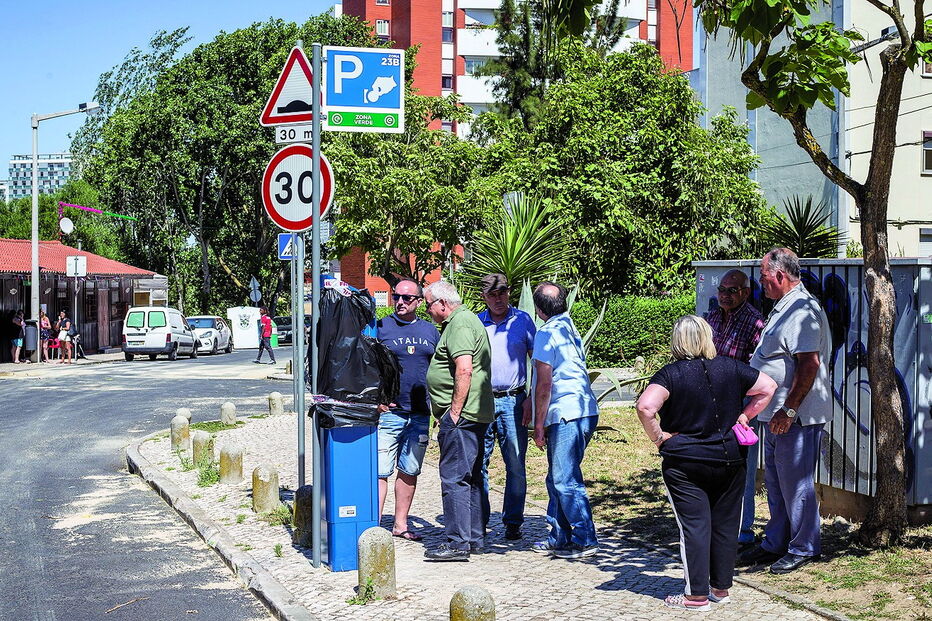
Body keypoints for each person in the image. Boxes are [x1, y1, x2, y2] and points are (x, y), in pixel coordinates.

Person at [636, 315, 777, 610]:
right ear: (707, 338)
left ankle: (695, 596)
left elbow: (646, 406)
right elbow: (768, 387)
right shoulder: (731, 367)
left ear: (677, 341)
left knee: (694, 527)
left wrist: (659, 437)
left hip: (686, 462)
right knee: (726, 525)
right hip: (730, 458)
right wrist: (746, 415)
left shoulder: (670, 374)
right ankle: (720, 589)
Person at [739, 247, 833, 575]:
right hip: (776, 414)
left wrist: (789, 410)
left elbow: (809, 365)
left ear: (780, 276)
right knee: (778, 484)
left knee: (797, 483)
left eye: (764, 277)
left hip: (796, 416)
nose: (761, 283)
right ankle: (775, 542)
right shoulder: (784, 306)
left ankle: (804, 546)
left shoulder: (803, 310)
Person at [423, 281, 494, 561]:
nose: (427, 310)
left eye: (428, 304)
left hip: (463, 417)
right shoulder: (463, 321)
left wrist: (453, 413)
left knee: (454, 478)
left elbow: (464, 370)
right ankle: (474, 538)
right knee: (471, 477)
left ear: (442, 303)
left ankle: (457, 543)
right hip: (472, 413)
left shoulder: (460, 324)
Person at [530, 282, 600, 559]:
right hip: (583, 409)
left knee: (565, 479)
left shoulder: (546, 333)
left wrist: (538, 424)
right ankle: (559, 536)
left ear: (538, 309)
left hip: (566, 412)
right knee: (557, 477)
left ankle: (585, 538)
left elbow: (544, 384)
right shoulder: (568, 327)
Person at [703, 269, 766, 550]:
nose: (725, 295)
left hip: (739, 404)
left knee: (741, 467)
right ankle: (716, 525)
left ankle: (742, 530)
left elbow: (756, 370)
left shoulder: (755, 322)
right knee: (712, 463)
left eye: (732, 290)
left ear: (745, 292)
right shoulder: (713, 316)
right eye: (722, 290)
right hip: (710, 401)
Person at [376, 279, 439, 541]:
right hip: (390, 411)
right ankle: (373, 526)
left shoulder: (431, 330)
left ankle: (400, 524)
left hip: (420, 412)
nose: (400, 302)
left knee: (410, 469)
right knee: (379, 470)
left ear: (418, 302)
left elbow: (440, 369)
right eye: (396, 297)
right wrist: (376, 399)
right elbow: (368, 364)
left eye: (407, 298)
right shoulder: (381, 328)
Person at [477, 273, 536, 540]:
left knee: (515, 462)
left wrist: (532, 398)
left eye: (501, 292)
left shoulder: (523, 320)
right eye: (492, 294)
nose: (497, 299)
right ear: (483, 297)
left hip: (514, 400)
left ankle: (513, 521)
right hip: (483, 400)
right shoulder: (477, 323)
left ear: (509, 292)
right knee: (479, 462)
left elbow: (538, 360)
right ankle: (480, 519)